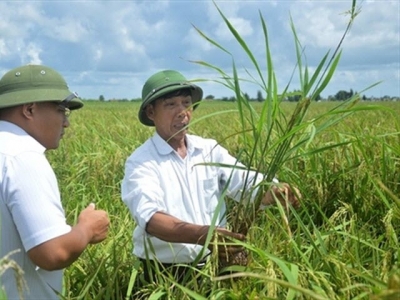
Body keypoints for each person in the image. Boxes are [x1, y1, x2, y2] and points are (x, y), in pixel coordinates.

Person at [121, 70, 300, 284]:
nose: (182, 112)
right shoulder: (141, 162)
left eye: (186, 103)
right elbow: (151, 220)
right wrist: (206, 235)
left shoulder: (208, 150)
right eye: (171, 104)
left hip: (214, 265)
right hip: (164, 273)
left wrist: (273, 190)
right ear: (151, 112)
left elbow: (245, 183)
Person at [0, 64, 110, 299]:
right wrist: (87, 228)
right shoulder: (23, 158)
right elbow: (53, 253)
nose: (66, 122)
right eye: (62, 110)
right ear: (29, 110)